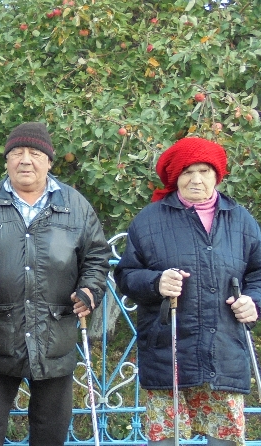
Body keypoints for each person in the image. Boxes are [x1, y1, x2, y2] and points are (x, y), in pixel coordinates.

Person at [0, 121, 110, 446]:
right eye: (17, 153)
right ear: (7, 160)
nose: (25, 160)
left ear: (49, 161)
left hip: (56, 336)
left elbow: (97, 258)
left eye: (34, 153)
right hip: (0, 333)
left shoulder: (75, 205)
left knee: (51, 431)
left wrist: (90, 291)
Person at [114, 137, 261, 446]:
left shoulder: (241, 221)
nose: (196, 179)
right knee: (167, 440)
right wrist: (156, 283)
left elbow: (258, 274)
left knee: (226, 441)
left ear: (217, 176)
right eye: (187, 171)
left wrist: (254, 302)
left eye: (205, 171)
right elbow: (126, 276)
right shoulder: (148, 221)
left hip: (223, 353)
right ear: (175, 177)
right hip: (169, 354)